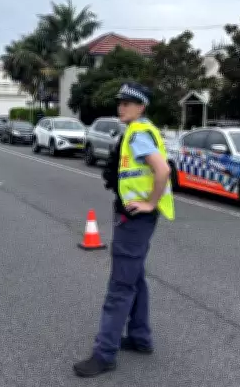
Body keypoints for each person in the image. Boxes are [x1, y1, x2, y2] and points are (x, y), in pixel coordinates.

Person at [73, 82, 175, 378]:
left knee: (120, 286)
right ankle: (141, 339)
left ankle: (104, 354)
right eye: (120, 102)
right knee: (136, 277)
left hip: (134, 217)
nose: (122, 107)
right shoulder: (140, 130)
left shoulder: (139, 133)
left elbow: (163, 169)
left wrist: (149, 203)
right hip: (137, 216)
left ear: (141, 107)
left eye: (129, 103)